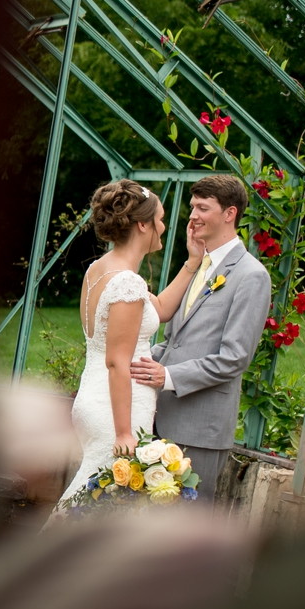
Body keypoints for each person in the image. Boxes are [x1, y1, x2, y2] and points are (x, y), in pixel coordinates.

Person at [54, 180, 207, 512]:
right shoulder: (126, 281)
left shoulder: (103, 269)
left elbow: (161, 310)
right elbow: (116, 362)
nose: (165, 227)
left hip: (96, 397)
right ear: (143, 224)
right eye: (161, 219)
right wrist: (124, 432)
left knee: (94, 500)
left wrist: (192, 262)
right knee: (97, 506)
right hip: (115, 410)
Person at [129, 174, 272, 496]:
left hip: (201, 429)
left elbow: (234, 358)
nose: (192, 215)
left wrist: (167, 375)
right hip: (160, 418)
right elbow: (177, 339)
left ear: (229, 214)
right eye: (192, 206)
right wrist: (133, 359)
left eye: (203, 207)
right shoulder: (200, 266)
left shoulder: (251, 276)